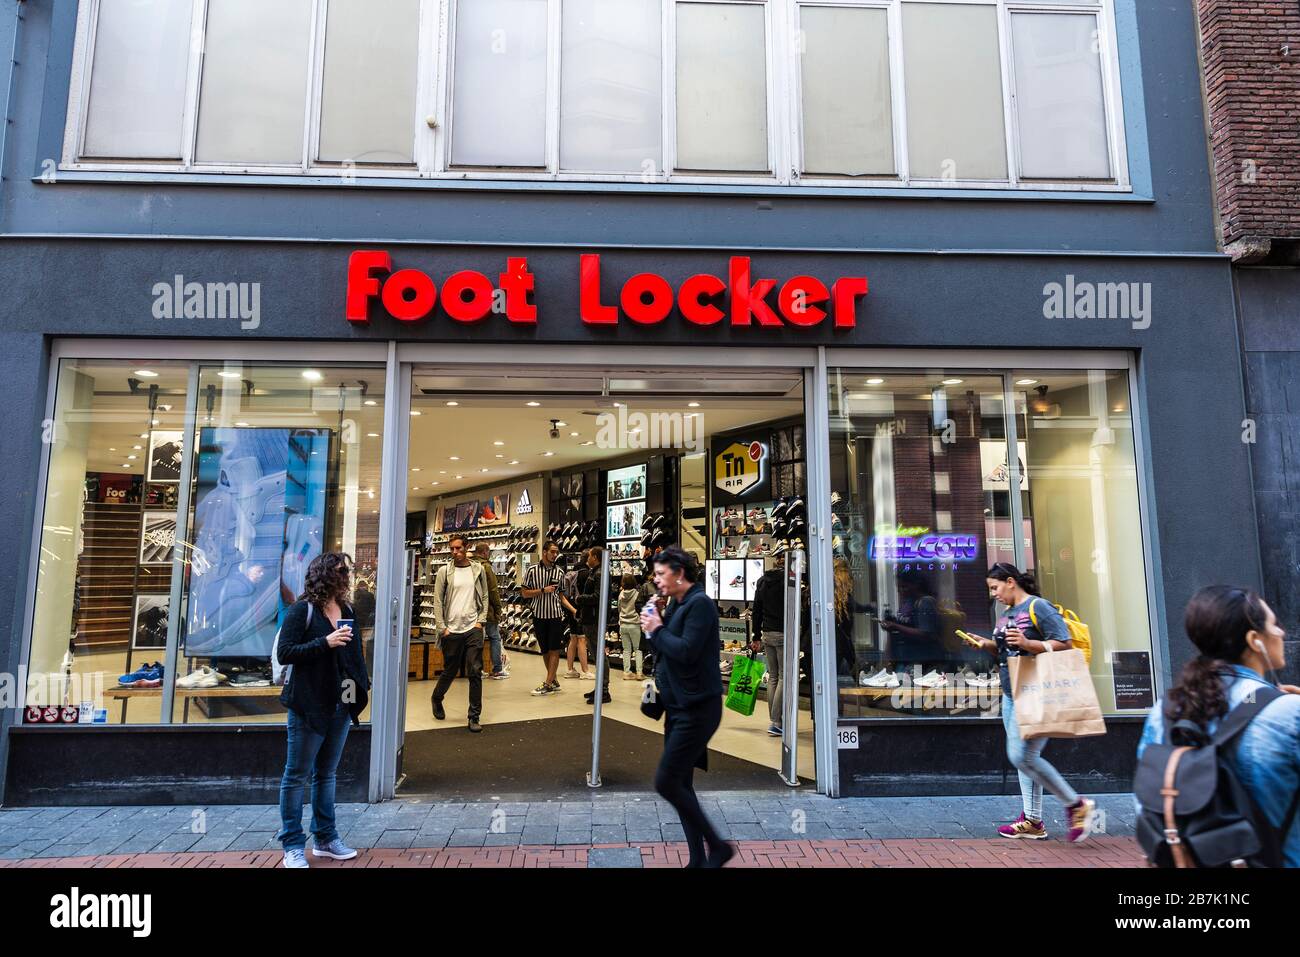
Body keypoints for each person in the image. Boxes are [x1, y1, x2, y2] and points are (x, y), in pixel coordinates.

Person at [1137, 586, 1300, 866]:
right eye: (1275, 625)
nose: (1282, 633)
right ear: (1254, 641)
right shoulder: (1287, 712)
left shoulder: (1164, 709)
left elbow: (1145, 805)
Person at [964, 563, 1097, 842]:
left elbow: (1064, 642)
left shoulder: (1039, 607)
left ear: (1011, 582)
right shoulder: (1008, 613)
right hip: (1012, 694)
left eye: (995, 587)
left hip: (1037, 693)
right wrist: (986, 644)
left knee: (1021, 756)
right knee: (1025, 759)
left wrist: (1028, 644)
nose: (994, 594)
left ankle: (1076, 805)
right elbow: (1007, 649)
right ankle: (1033, 820)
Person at [640, 546, 734, 868]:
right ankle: (697, 859)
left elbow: (687, 651)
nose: (656, 580)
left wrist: (658, 629)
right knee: (681, 783)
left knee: (667, 781)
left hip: (697, 709)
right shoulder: (681, 605)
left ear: (679, 573)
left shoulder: (700, 605)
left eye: (661, 573)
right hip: (679, 706)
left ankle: (718, 847)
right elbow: (668, 651)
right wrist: (653, 628)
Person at [275, 552, 370, 869]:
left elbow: (354, 653)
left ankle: (326, 838)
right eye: (340, 571)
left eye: (347, 572)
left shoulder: (347, 609)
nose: (345, 577)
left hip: (340, 704)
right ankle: (292, 845)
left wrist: (361, 686)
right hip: (308, 704)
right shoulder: (302, 611)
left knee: (326, 773)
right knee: (296, 775)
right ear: (324, 574)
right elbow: (285, 652)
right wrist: (324, 643)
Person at [430, 535, 489, 732]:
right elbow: (437, 600)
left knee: (475, 670)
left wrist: (481, 621)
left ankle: (474, 716)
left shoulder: (477, 569)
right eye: (452, 549)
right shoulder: (444, 571)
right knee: (450, 670)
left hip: (473, 627)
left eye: (458, 548)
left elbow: (485, 595)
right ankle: (437, 698)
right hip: (451, 629)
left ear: (467, 548)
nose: (454, 552)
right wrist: (442, 628)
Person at [522, 540, 578, 696]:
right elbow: (524, 593)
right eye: (552, 551)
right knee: (545, 650)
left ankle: (548, 683)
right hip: (539, 616)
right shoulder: (532, 570)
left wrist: (574, 610)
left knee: (554, 649)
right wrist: (542, 590)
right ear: (544, 551)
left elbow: (561, 597)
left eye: (556, 552)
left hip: (555, 616)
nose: (555, 555)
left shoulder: (560, 572)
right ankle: (552, 679)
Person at [749, 554, 786, 736]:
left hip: (767, 633)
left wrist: (756, 635)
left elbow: (756, 610)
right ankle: (776, 721)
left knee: (772, 676)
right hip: (782, 633)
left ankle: (775, 720)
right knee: (783, 677)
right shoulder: (787, 582)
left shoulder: (762, 581)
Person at [882, 570, 943, 678]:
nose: (901, 591)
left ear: (916, 585)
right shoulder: (907, 602)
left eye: (905, 587)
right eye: (899, 587)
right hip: (904, 660)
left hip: (922, 662)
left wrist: (896, 626)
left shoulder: (925, 602)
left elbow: (926, 633)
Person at [577, 547, 611, 704]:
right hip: (591, 618)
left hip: (595, 619)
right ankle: (600, 687)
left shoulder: (599, 574)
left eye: (589, 556)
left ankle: (604, 691)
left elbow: (598, 597)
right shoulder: (595, 572)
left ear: (596, 557)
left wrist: (581, 599)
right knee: (597, 655)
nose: (587, 558)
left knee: (600, 656)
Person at [473, 542, 509, 680]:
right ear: (485, 552)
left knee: (476, 640)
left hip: (472, 608)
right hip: (487, 608)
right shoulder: (487, 567)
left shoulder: (470, 565)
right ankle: (497, 669)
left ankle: (478, 669)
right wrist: (498, 608)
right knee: (494, 637)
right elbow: (493, 590)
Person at [564, 549, 594, 679]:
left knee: (573, 638)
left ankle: (570, 670)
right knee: (582, 639)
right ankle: (585, 671)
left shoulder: (572, 571)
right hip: (580, 610)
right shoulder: (587, 574)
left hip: (571, 609)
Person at [618, 573, 644, 680]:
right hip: (635, 624)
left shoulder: (621, 594)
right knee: (638, 649)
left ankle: (626, 672)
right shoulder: (637, 594)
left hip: (623, 624)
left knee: (626, 650)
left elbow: (619, 609)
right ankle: (639, 672)